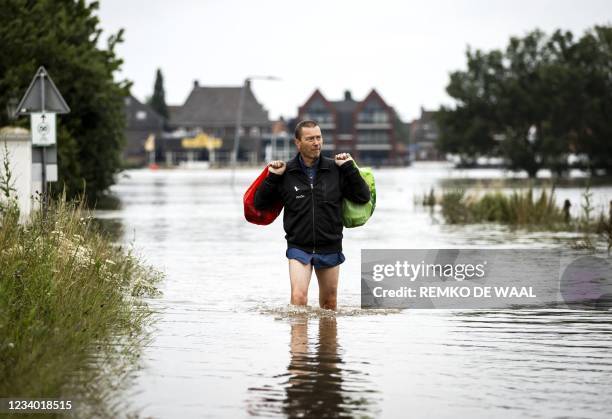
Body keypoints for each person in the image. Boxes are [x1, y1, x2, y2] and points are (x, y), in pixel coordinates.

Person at [254, 120, 370, 310]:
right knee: (298, 299)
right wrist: (273, 176)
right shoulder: (286, 172)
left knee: (329, 303)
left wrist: (349, 167)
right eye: (310, 139)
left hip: (329, 244)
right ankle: (298, 341)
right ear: (298, 143)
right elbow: (260, 204)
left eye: (319, 137)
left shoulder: (336, 169)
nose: (316, 142)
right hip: (299, 246)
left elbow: (363, 197)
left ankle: (326, 341)